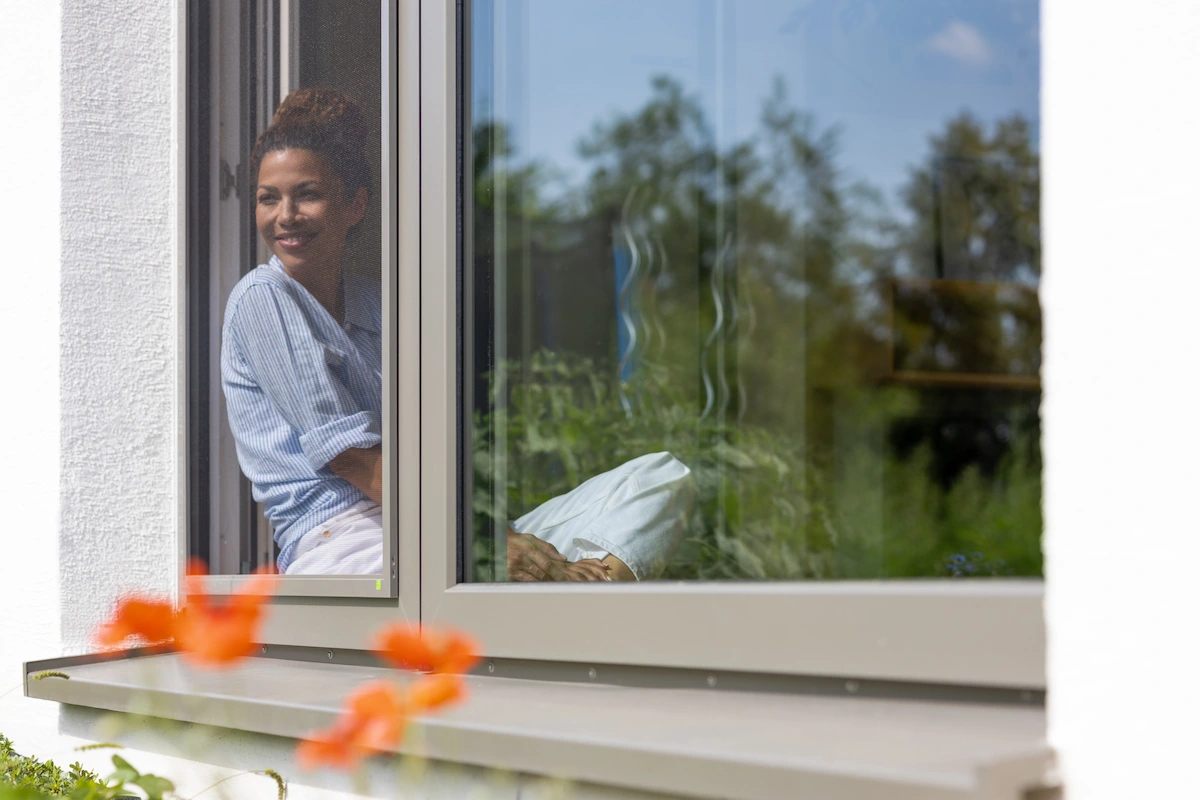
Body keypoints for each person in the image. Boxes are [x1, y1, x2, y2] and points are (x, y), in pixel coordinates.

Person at [222, 88, 693, 579]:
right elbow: (354, 461)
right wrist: (483, 541)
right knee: (510, 569)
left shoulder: (378, 304)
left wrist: (490, 533)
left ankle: (574, 593)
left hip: (435, 524)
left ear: (355, 205)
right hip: (346, 542)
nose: (285, 215)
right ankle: (564, 596)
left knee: (659, 478)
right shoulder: (263, 297)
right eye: (267, 198)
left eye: (308, 194)